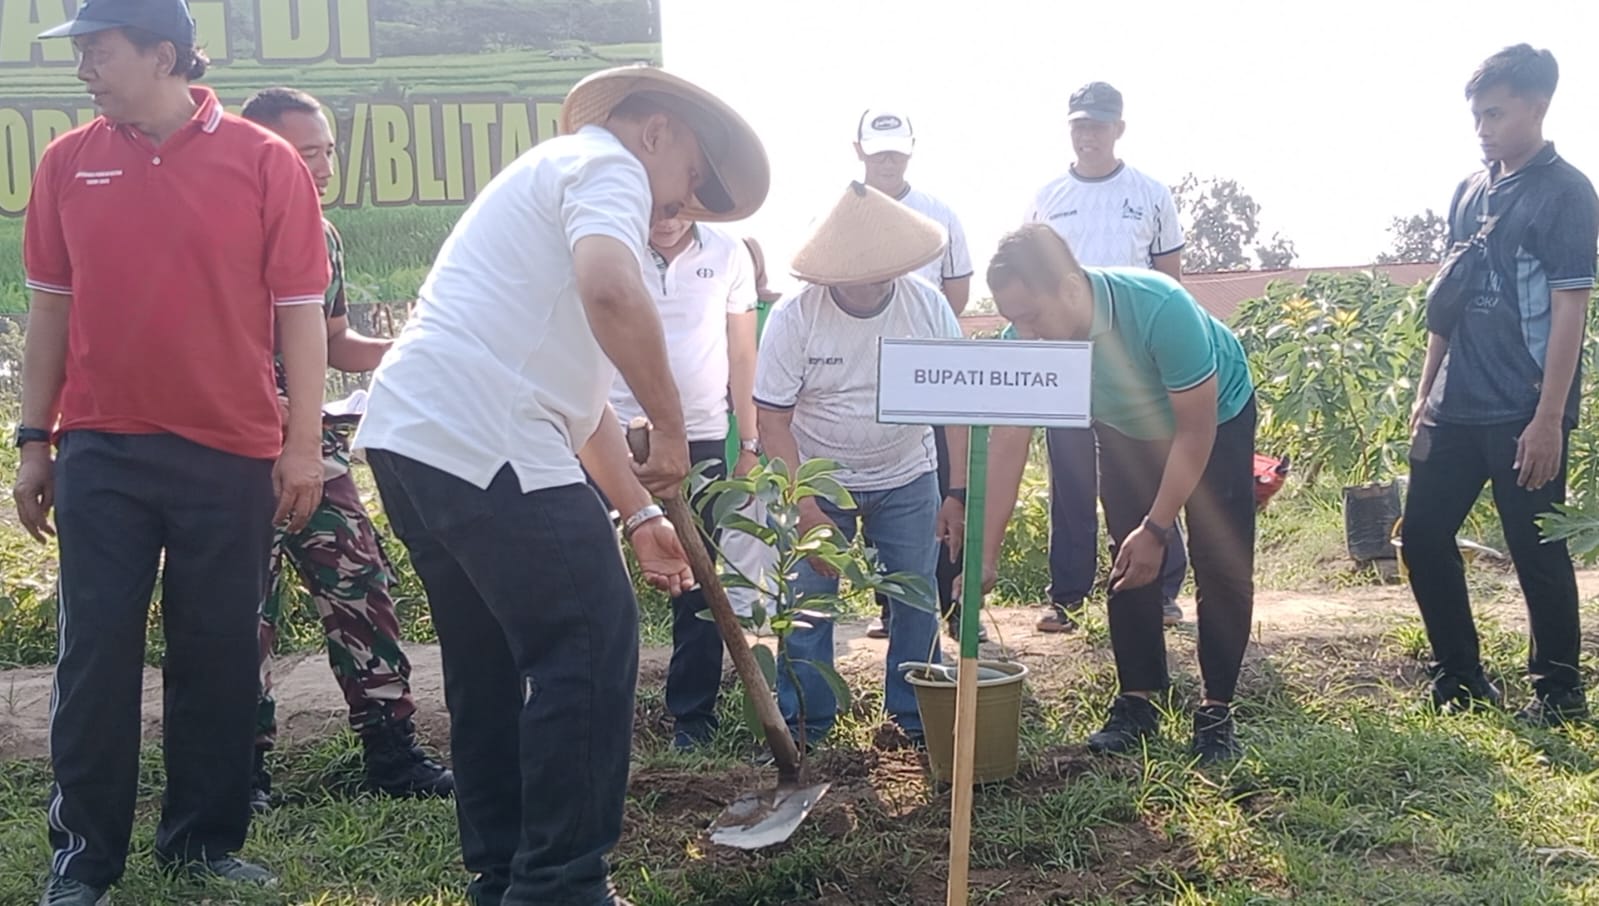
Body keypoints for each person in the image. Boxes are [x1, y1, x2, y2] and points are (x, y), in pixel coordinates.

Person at [352, 65, 768, 906]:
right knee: (590, 642)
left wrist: (641, 508)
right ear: (655, 132)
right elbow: (610, 292)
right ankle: (563, 885)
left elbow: (580, 408)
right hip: (486, 439)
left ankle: (504, 874)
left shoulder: (549, 184)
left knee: (490, 666)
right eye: (689, 184)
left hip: (415, 441)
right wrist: (676, 426)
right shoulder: (605, 166)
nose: (681, 210)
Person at [16, 0, 331, 900]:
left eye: (97, 51)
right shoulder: (68, 161)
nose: (83, 69)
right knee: (93, 658)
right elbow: (49, 307)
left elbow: (300, 317)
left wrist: (299, 446)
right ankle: (85, 857)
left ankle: (203, 841)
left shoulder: (264, 161)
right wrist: (35, 441)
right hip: (102, 452)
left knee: (218, 653)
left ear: (163, 55)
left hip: (230, 452)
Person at [240, 86, 454, 807]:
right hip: (235, 446)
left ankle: (391, 751)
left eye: (326, 149)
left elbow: (334, 343)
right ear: (259, 151)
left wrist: (415, 344)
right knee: (245, 608)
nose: (322, 165)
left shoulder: (323, 236)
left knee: (361, 583)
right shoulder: (222, 227)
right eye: (305, 153)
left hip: (313, 441)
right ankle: (243, 771)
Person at [981, 224, 1257, 763]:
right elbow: (1008, 442)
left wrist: (1158, 527)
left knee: (1221, 560)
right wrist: (986, 556)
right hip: (1125, 425)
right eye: (1015, 320)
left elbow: (1194, 432)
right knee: (1129, 560)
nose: (1026, 333)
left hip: (1215, 419)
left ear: (1068, 288)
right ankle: (1138, 700)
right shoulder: (1027, 340)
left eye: (1032, 316)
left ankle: (1216, 709)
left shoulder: (1159, 306)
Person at [1402, 44, 1598, 725]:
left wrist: (1548, 418)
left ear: (1536, 107)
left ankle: (1558, 692)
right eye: (1476, 115)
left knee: (1535, 552)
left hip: (1522, 410)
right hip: (1453, 407)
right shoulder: (1469, 190)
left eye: (1495, 113)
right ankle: (1459, 676)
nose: (1481, 128)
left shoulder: (1566, 193)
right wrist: (1424, 391)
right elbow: (1447, 301)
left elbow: (1571, 308)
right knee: (1421, 535)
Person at [754, 181, 968, 746]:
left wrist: (958, 493)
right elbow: (771, 420)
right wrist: (804, 509)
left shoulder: (927, 307)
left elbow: (956, 409)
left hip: (908, 474)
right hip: (819, 477)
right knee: (806, 606)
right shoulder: (795, 318)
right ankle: (806, 727)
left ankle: (914, 722)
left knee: (917, 598)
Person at [1024, 81, 1191, 632]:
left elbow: (1170, 281)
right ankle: (1068, 596)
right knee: (1070, 478)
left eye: (1097, 124)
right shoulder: (1047, 198)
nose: (1087, 134)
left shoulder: (1150, 194)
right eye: (1079, 124)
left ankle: (1163, 588)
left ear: (1119, 128)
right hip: (1067, 359)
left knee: (1143, 468)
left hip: (1131, 357)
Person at [607, 215, 759, 750]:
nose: (668, 219)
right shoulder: (611, 246)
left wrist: (750, 443)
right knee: (596, 578)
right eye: (657, 206)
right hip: (613, 436)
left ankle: (693, 718)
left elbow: (742, 353)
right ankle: (599, 717)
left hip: (701, 440)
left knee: (696, 581)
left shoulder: (729, 252)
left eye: (680, 207)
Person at [852, 107, 980, 643]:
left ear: (909, 151)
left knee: (937, 493)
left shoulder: (937, 213)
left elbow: (957, 289)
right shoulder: (842, 213)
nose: (887, 160)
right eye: (878, 151)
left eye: (895, 151)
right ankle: (889, 606)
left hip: (930, 371)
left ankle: (948, 608)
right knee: (882, 485)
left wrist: (930, 339)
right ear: (859, 150)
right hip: (865, 376)